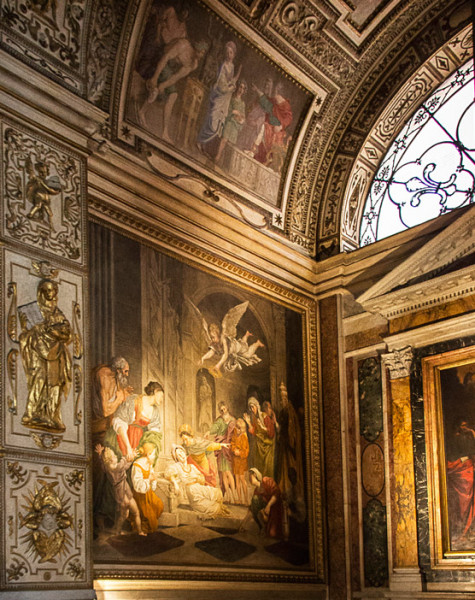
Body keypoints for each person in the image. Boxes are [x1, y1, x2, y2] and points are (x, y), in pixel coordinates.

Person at [19, 279, 72, 432]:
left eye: (53, 290)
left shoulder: (57, 313)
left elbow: (67, 333)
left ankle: (51, 416)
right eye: (47, 290)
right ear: (42, 292)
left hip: (55, 353)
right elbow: (26, 334)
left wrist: (56, 333)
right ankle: (31, 413)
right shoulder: (34, 311)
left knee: (55, 384)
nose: (50, 293)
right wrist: (26, 328)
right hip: (38, 351)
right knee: (39, 380)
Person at [197, 41, 242, 158]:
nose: (229, 54)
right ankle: (199, 140)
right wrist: (231, 87)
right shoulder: (224, 66)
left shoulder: (232, 66)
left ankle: (202, 144)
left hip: (224, 100)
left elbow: (230, 82)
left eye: (231, 52)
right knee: (212, 121)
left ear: (234, 54)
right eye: (227, 52)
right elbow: (222, 85)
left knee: (217, 126)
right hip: (218, 96)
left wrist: (232, 83)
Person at [105, 381, 164, 462]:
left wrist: (149, 449)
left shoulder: (155, 411)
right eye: (161, 396)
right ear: (155, 391)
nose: (162, 400)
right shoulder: (133, 400)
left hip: (139, 441)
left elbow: (154, 433)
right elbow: (120, 421)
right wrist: (128, 447)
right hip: (122, 436)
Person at [166, 444, 229, 518]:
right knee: (213, 508)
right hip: (192, 492)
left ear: (185, 452)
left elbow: (202, 479)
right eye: (178, 455)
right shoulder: (177, 467)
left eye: (181, 452)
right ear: (176, 458)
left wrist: (196, 477)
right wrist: (175, 483)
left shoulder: (192, 466)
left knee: (217, 493)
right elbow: (168, 473)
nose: (181, 455)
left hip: (199, 488)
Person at [95, 443, 144, 536]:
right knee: (136, 512)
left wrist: (100, 454)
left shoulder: (107, 468)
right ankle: (140, 531)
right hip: (125, 492)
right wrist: (130, 455)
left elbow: (124, 466)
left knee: (123, 516)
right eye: (113, 455)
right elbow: (124, 462)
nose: (116, 456)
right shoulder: (117, 467)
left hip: (119, 494)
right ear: (110, 459)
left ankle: (118, 531)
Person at [251, 80, 292, 167]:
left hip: (277, 133)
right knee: (263, 129)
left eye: (277, 90)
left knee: (271, 152)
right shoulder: (273, 104)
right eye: (276, 89)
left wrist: (280, 127)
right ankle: (255, 153)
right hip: (269, 129)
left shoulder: (285, 105)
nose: (275, 92)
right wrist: (257, 90)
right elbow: (266, 102)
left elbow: (288, 118)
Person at [276, 382, 304, 502]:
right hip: (284, 444)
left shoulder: (289, 411)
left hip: (288, 446)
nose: (281, 402)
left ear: (285, 399)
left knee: (289, 466)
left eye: (282, 399)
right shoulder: (283, 411)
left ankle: (288, 491)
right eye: (280, 399)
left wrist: (286, 439)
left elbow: (291, 430)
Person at [92, 356, 133, 439]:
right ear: (118, 370)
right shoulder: (104, 377)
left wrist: (124, 392)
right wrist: (119, 399)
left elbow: (115, 394)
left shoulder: (115, 377)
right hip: (98, 423)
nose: (127, 374)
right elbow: (105, 412)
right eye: (126, 371)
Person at [239, 467, 284, 538]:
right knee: (254, 501)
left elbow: (277, 493)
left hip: (274, 508)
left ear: (255, 474)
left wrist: (268, 506)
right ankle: (262, 527)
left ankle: (265, 528)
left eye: (250, 475)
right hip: (265, 512)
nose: (249, 478)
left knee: (273, 534)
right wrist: (243, 524)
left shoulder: (266, 480)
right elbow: (252, 510)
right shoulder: (256, 491)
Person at [131, 442, 164, 534]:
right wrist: (149, 480)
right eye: (154, 454)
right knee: (149, 519)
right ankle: (142, 529)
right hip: (140, 496)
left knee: (159, 505)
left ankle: (147, 525)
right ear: (148, 454)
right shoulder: (137, 465)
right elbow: (137, 485)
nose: (154, 457)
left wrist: (153, 479)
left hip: (148, 493)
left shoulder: (149, 464)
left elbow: (152, 480)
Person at [207, 401, 237, 502]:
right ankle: (227, 495)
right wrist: (208, 431)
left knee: (229, 473)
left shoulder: (233, 420)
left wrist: (223, 437)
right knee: (223, 474)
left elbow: (234, 435)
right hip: (221, 450)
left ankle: (234, 495)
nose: (223, 411)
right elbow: (214, 428)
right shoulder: (220, 420)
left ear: (227, 408)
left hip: (228, 449)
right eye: (221, 410)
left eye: (224, 409)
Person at [243, 396, 276, 478]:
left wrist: (262, 427)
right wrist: (248, 422)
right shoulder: (254, 419)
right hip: (259, 447)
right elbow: (254, 432)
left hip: (267, 446)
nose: (251, 409)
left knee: (267, 467)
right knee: (259, 466)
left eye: (252, 407)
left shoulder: (264, 416)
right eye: (250, 407)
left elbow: (271, 433)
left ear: (257, 406)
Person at [216, 80, 247, 163]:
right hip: (229, 121)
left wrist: (241, 118)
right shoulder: (231, 98)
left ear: (244, 91)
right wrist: (233, 112)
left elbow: (243, 115)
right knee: (224, 140)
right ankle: (217, 156)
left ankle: (222, 161)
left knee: (230, 143)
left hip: (236, 125)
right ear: (238, 87)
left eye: (243, 88)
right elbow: (227, 109)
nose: (241, 89)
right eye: (240, 87)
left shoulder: (242, 103)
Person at [25, 158, 61, 231]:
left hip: (45, 197)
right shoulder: (38, 179)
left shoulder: (46, 182)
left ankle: (51, 226)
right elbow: (31, 175)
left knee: (49, 212)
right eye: (40, 172)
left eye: (44, 172)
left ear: (47, 173)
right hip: (39, 195)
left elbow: (51, 190)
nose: (42, 174)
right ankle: (31, 214)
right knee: (38, 206)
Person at [230, 417, 249, 504]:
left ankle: (246, 499)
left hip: (241, 461)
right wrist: (234, 450)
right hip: (235, 460)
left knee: (242, 479)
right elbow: (232, 444)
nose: (237, 429)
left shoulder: (244, 437)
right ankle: (240, 499)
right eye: (236, 427)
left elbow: (246, 451)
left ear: (242, 429)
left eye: (239, 428)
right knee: (236, 479)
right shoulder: (234, 435)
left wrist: (239, 452)